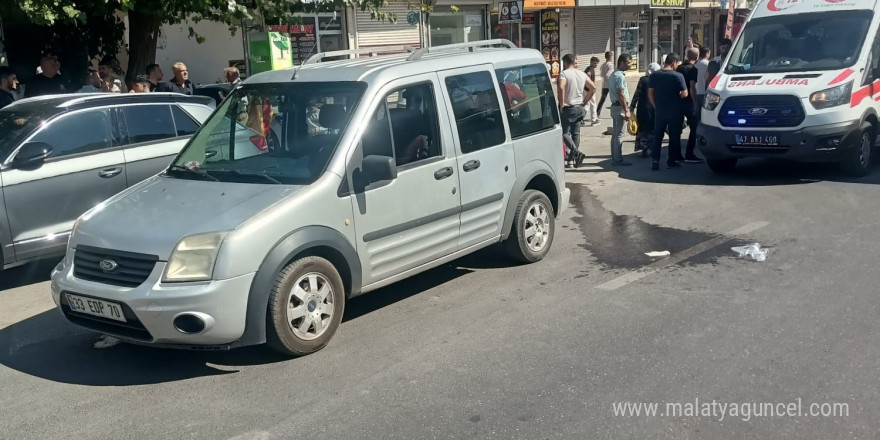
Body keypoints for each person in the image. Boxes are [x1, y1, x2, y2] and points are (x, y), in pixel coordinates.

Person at [648, 53, 688, 170]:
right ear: (674, 63)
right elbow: (684, 93)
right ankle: (671, 160)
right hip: (674, 111)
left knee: (658, 136)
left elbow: (650, 93)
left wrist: (655, 106)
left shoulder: (654, 75)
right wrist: (679, 97)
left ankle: (655, 160)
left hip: (660, 110)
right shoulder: (678, 76)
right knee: (674, 136)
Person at [557, 54, 595, 168]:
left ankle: (575, 152)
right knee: (576, 133)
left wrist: (562, 102)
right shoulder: (582, 74)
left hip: (569, 108)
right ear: (574, 62)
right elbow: (593, 88)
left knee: (564, 132)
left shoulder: (564, 73)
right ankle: (571, 160)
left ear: (565, 63)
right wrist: (585, 101)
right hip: (580, 108)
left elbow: (561, 86)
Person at [677, 47, 703, 163]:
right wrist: (696, 103)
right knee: (694, 128)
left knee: (677, 129)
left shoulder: (679, 68)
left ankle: (676, 154)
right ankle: (689, 153)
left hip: (678, 102)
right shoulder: (693, 69)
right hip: (689, 103)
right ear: (697, 57)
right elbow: (692, 87)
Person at [629, 63, 661, 157]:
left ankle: (644, 148)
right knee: (652, 127)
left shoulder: (643, 79)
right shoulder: (658, 80)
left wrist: (632, 107)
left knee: (643, 128)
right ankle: (651, 147)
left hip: (642, 108)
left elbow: (637, 94)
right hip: (654, 108)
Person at [608, 53, 633, 167]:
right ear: (621, 63)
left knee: (616, 134)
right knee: (619, 135)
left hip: (616, 106)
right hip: (619, 107)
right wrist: (626, 110)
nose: (630, 65)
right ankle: (617, 159)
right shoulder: (619, 76)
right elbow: (621, 94)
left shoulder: (614, 74)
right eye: (628, 62)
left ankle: (615, 157)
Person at [596, 51, 614, 118]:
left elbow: (601, 74)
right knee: (614, 98)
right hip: (610, 85)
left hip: (604, 85)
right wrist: (610, 82)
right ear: (610, 57)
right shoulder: (610, 65)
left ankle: (598, 112)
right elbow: (607, 75)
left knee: (602, 99)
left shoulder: (603, 65)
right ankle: (615, 111)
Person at [583, 57, 601, 125]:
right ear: (591, 62)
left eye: (597, 63)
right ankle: (594, 120)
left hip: (585, 89)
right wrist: (592, 85)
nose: (596, 65)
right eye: (595, 63)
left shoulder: (589, 68)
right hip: (589, 90)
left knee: (586, 105)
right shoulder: (590, 69)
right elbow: (588, 74)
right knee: (593, 104)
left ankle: (581, 118)